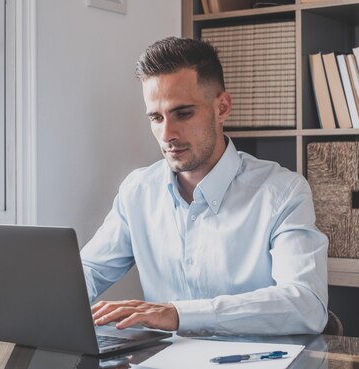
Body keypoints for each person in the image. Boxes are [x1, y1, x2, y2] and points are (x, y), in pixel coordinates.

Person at [80, 37, 328, 337]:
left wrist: (178, 314)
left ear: (222, 108)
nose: (167, 134)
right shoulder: (138, 191)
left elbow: (306, 305)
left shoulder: (282, 192)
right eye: (156, 118)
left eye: (183, 113)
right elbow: (89, 271)